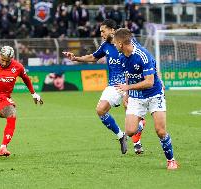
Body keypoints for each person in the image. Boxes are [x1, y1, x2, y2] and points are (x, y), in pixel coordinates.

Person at [62, 19, 146, 154]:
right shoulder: (106, 45)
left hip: (128, 83)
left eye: (103, 31)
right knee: (100, 110)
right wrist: (75, 58)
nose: (101, 34)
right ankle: (121, 136)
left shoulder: (128, 42)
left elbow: (141, 59)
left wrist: (130, 87)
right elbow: (93, 57)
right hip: (113, 85)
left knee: (129, 113)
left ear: (112, 30)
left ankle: (137, 141)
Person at [114, 28, 178, 170]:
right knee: (130, 131)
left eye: (114, 43)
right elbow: (128, 75)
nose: (114, 45)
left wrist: (128, 88)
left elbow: (149, 82)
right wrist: (127, 94)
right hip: (137, 97)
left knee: (160, 131)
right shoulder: (122, 56)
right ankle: (141, 124)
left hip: (154, 94)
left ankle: (171, 160)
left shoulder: (143, 55)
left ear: (120, 43)